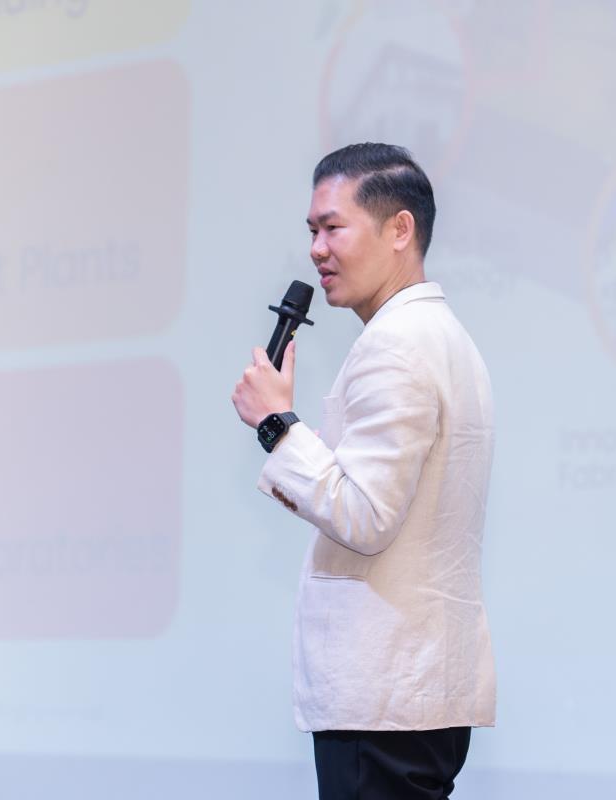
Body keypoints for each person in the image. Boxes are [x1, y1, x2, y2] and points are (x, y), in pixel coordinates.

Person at [231, 143, 495, 800]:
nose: (316, 250)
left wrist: (275, 425)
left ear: (400, 229)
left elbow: (366, 517)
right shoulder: (442, 335)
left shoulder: (395, 346)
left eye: (333, 228)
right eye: (311, 231)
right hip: (416, 687)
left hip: (384, 692)